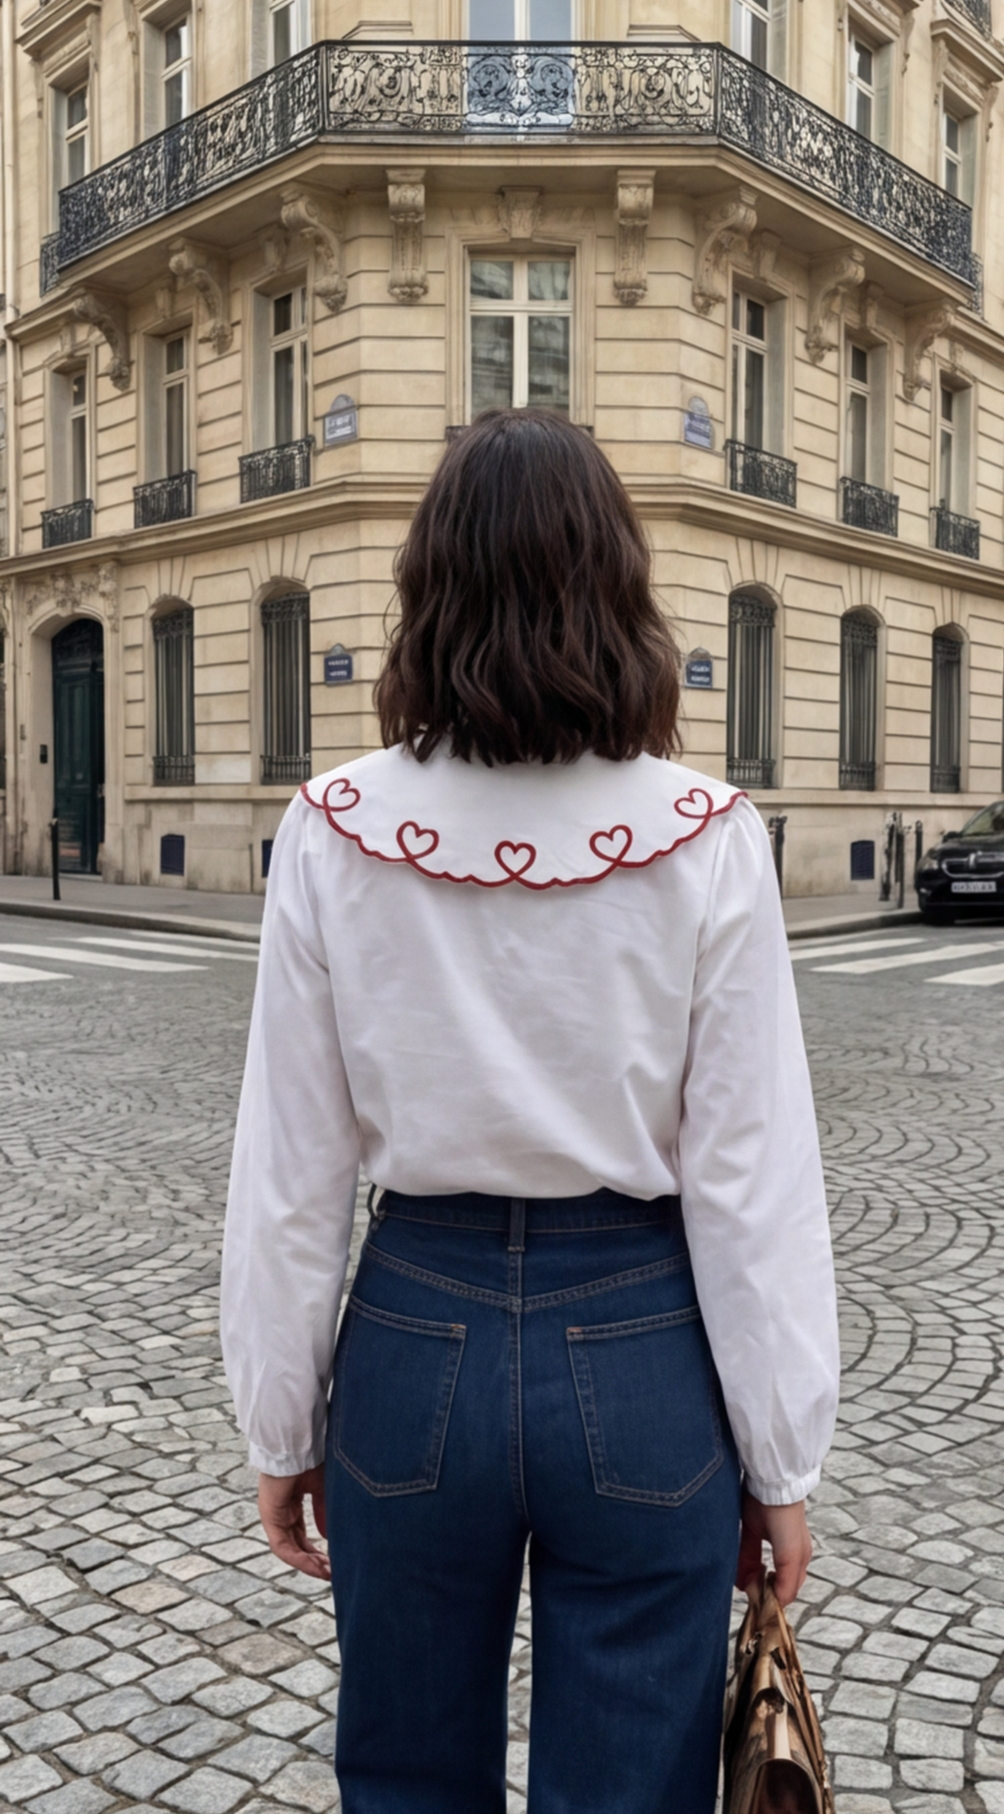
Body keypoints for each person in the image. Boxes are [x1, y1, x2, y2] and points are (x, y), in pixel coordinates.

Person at [221, 408, 839, 1814]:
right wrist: (780, 1454)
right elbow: (750, 1176)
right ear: (616, 588)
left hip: (412, 1328)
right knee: (632, 1782)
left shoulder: (333, 828)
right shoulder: (707, 836)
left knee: (404, 1767)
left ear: (428, 591)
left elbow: (292, 1169)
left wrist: (280, 1420)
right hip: (640, 1334)